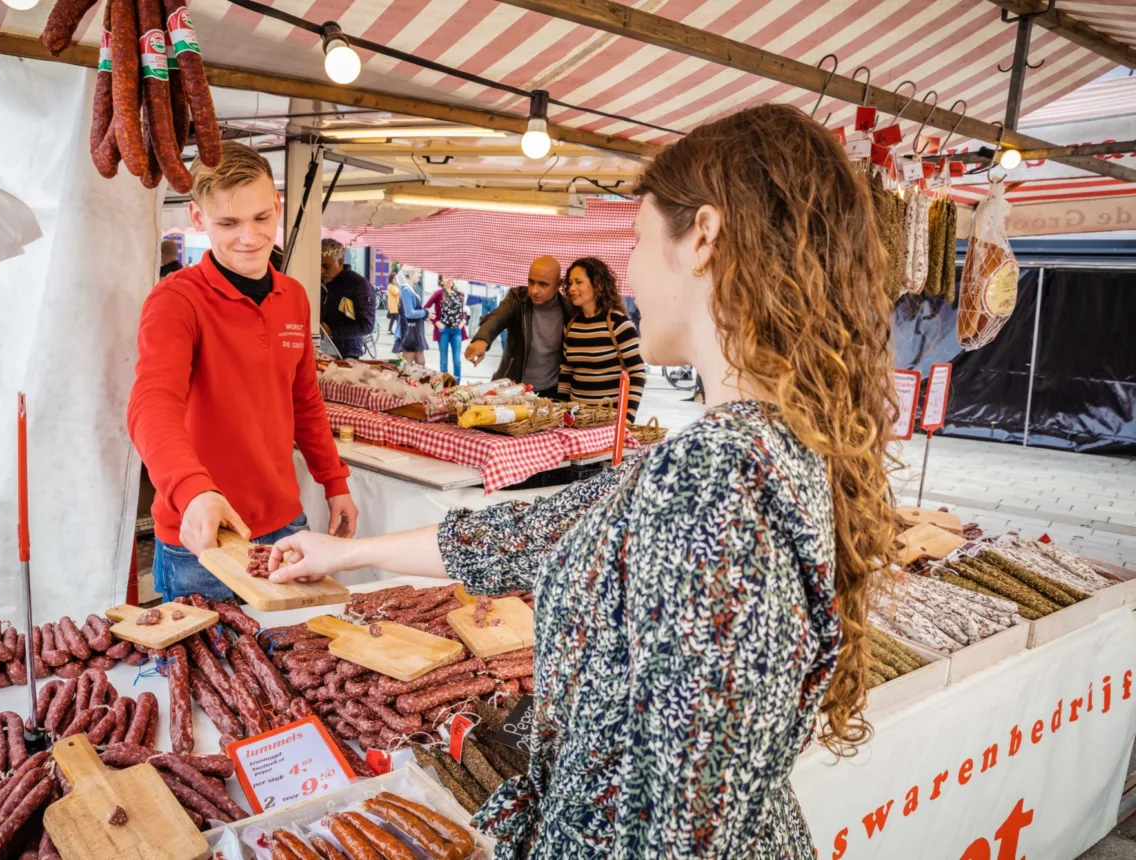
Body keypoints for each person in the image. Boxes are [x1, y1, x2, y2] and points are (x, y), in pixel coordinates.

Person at [263, 104, 897, 857]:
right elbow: (530, 532)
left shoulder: (710, 479)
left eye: (634, 239)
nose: (627, 270)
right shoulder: (761, 445)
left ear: (703, 237)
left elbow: (685, 823)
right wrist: (341, 554)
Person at [126, 142, 360, 602]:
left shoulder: (293, 295)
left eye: (260, 218)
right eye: (228, 223)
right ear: (197, 218)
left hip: (287, 526)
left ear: (277, 207)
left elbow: (305, 400)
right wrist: (192, 491)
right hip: (205, 535)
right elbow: (150, 404)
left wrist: (334, 482)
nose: (250, 238)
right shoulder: (176, 300)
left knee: (296, 665)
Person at [559, 257, 646, 422]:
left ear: (597, 284)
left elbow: (637, 373)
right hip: (576, 422)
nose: (572, 288)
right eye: (570, 283)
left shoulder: (619, 325)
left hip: (610, 423)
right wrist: (563, 412)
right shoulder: (571, 327)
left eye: (578, 282)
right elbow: (566, 373)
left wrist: (627, 418)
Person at [465, 256, 568, 396]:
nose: (534, 290)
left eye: (543, 284)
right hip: (511, 388)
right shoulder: (518, 297)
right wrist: (482, 340)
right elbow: (498, 317)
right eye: (531, 282)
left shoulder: (568, 308)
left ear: (559, 284)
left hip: (550, 391)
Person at [319, 238, 376, 359]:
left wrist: (332, 332)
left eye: (326, 266)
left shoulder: (359, 284)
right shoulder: (317, 282)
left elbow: (367, 325)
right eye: (317, 265)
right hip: (318, 350)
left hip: (347, 353)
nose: (321, 271)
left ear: (340, 262)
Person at [424, 276, 467, 380]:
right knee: (444, 361)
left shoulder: (460, 294)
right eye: (446, 277)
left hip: (457, 331)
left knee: (457, 360)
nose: (450, 279)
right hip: (444, 331)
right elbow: (425, 308)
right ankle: (445, 385)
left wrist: (463, 320)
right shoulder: (438, 294)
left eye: (451, 276)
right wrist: (435, 322)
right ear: (441, 282)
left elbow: (461, 311)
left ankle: (457, 385)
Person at [396, 273, 428, 366]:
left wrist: (425, 314)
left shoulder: (412, 289)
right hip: (410, 330)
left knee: (420, 362)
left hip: (415, 330)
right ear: (410, 274)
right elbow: (409, 313)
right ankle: (405, 380)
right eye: (417, 272)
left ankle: (417, 380)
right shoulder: (406, 290)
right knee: (408, 364)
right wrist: (425, 312)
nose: (419, 275)